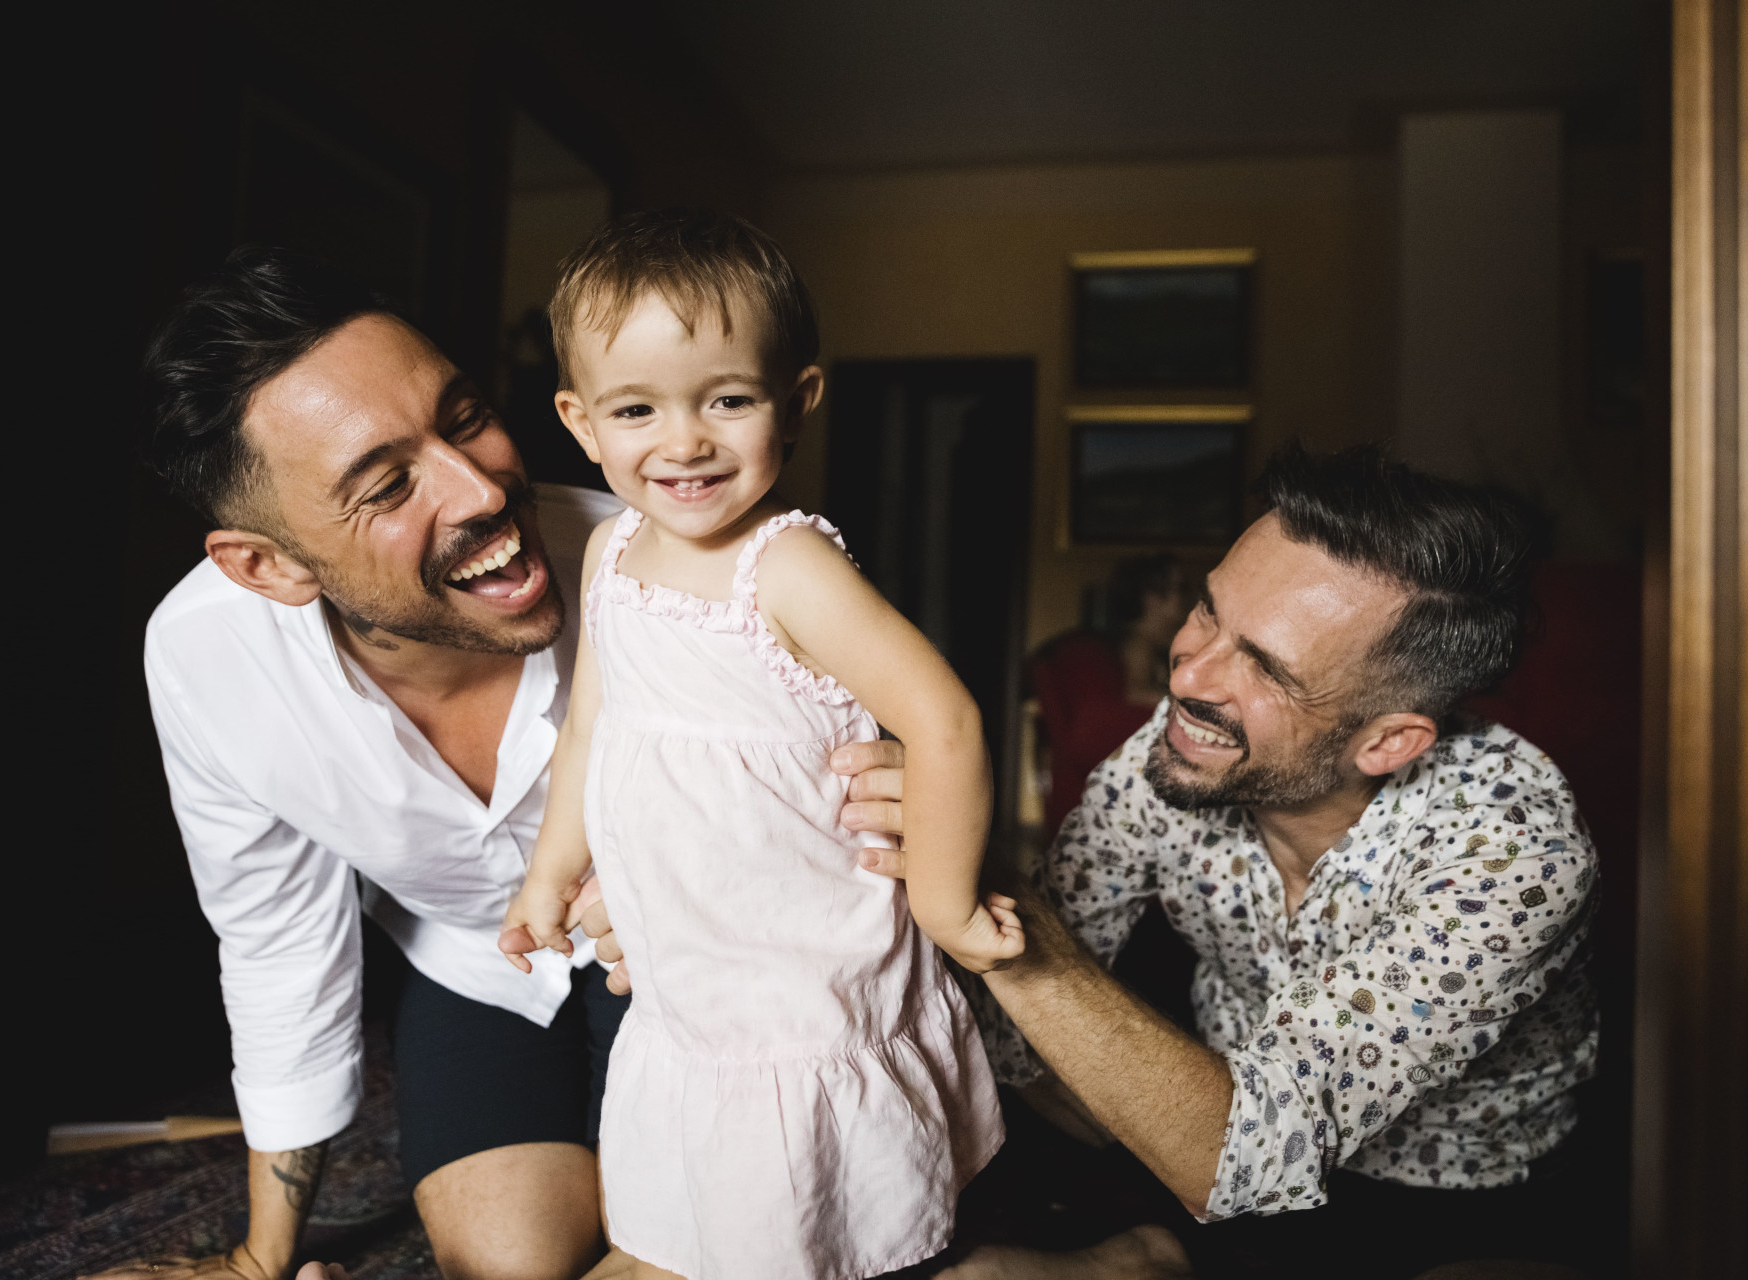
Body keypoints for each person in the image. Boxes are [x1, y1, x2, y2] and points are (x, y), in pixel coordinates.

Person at [110, 247, 904, 1280]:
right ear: (270, 566)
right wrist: (261, 1260)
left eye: (465, 414)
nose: (483, 485)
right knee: (503, 1266)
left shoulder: (681, 575)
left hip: (713, 960)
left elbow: (850, 817)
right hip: (481, 966)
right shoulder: (206, 657)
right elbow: (274, 941)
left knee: (696, 1250)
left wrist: (876, 800)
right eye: (389, 483)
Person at [760, 446, 1604, 1278]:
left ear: (1388, 742)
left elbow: (1250, 1158)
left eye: (1266, 667)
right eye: (1207, 612)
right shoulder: (1190, 742)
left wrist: (978, 875)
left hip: (1450, 1203)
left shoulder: (1516, 849)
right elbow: (1014, 1035)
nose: (1190, 673)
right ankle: (1161, 1252)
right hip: (1191, 1142)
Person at [499, 210, 1016, 1280]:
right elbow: (593, 723)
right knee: (704, 1206)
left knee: (803, 1213)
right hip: (691, 961)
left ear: (800, 401)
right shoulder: (606, 551)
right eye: (637, 408)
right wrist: (550, 866)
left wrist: (947, 903)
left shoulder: (786, 569)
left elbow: (944, 716)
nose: (683, 442)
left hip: (799, 959)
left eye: (727, 400)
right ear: (582, 423)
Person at [1031, 554, 1193, 833]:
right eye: (1177, 591)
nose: (1183, 603)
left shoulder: (1141, 645)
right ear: (1150, 598)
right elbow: (1135, 696)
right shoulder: (1138, 645)